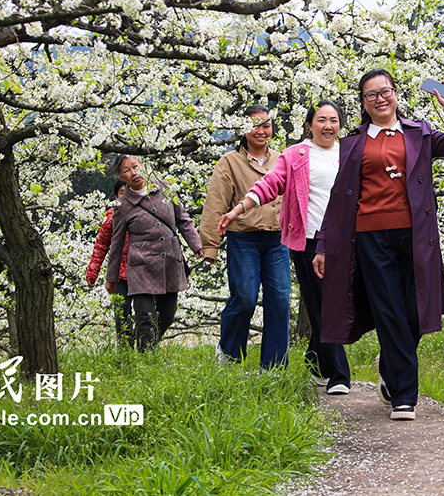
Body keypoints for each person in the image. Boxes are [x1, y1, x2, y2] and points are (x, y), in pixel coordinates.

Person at [314, 69, 444, 421]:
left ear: (396, 95)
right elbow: (339, 199)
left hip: (416, 235)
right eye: (371, 95)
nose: (380, 99)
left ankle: (390, 363)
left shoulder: (421, 133)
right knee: (388, 310)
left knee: (415, 311)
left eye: (385, 91)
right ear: (363, 103)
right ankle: (404, 396)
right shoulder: (353, 142)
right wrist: (324, 243)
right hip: (370, 237)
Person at [217, 101, 351, 394]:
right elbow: (270, 184)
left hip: (344, 239)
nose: (328, 126)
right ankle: (338, 373)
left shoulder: (349, 152)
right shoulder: (296, 155)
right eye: (321, 120)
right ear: (309, 124)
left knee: (335, 302)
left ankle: (314, 362)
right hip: (308, 240)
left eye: (334, 120)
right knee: (320, 304)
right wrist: (240, 207)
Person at [199, 104, 291, 370]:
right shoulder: (229, 162)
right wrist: (210, 246)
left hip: (277, 240)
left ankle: (273, 367)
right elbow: (215, 205)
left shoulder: (281, 158)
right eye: (255, 125)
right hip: (243, 239)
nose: (261, 131)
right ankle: (228, 351)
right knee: (245, 297)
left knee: (280, 300)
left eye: (266, 125)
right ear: (243, 129)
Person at [106, 155, 203, 352]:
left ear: (143, 166)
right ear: (121, 178)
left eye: (135, 167)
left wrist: (197, 245)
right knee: (144, 315)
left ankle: (147, 344)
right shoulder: (122, 206)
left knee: (167, 314)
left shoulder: (166, 188)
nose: (134, 173)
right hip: (141, 266)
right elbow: (116, 243)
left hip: (169, 261)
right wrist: (111, 277)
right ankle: (145, 358)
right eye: (127, 170)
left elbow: (183, 220)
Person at [86, 179, 132, 346]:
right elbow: (101, 245)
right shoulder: (111, 217)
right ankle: (125, 352)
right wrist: (93, 272)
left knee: (145, 314)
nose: (125, 196)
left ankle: (144, 352)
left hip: (143, 273)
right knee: (121, 313)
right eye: (121, 193)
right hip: (119, 274)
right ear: (115, 196)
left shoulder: (145, 214)